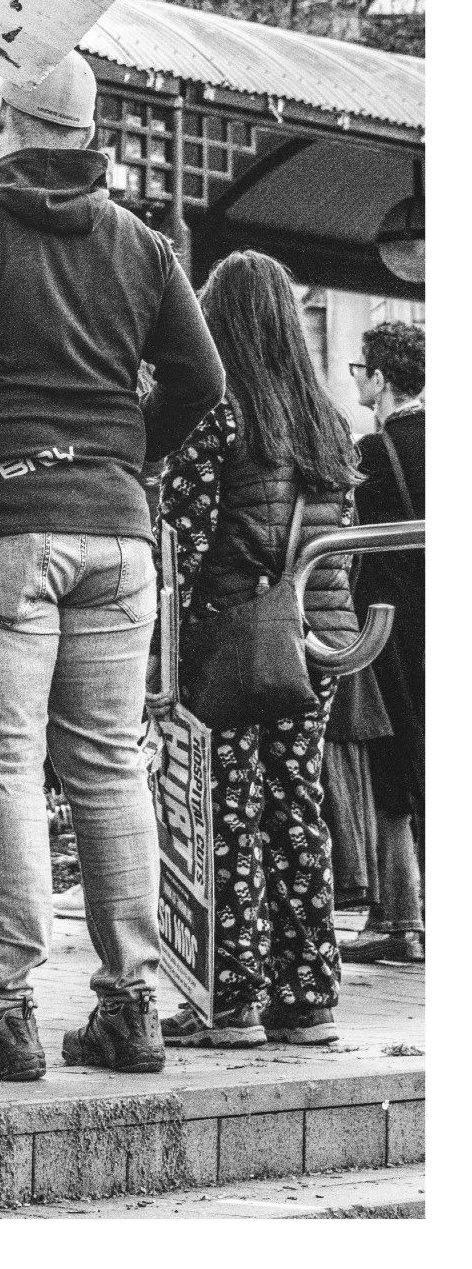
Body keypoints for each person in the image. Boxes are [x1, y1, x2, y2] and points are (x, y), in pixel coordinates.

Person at [0, 53, 225, 1081]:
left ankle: (2, 1007)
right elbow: (202, 377)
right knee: (110, 763)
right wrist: (127, 458)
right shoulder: (141, 241)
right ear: (88, 130)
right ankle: (130, 1003)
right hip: (117, 533)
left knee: (3, 768)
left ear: (2, 121)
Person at [159, 250, 360, 1050]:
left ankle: (230, 997)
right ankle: (306, 996)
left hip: (236, 635)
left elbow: (185, 530)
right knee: (296, 808)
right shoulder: (326, 418)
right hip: (316, 641)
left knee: (226, 812)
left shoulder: (221, 413)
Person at [341, 321, 425, 965]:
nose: (357, 379)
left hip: (390, 620)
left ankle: (400, 916)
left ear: (381, 378)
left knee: (395, 754)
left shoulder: (373, 452)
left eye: (359, 369)